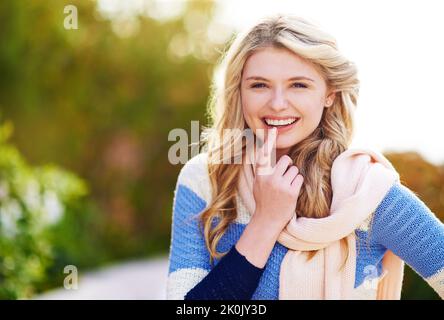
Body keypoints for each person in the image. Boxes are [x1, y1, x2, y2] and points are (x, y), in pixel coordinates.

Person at [166, 14, 444, 300]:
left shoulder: (365, 192)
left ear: (329, 94)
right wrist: (265, 222)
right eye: (259, 85)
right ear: (239, 92)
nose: (277, 104)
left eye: (298, 85)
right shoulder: (204, 180)